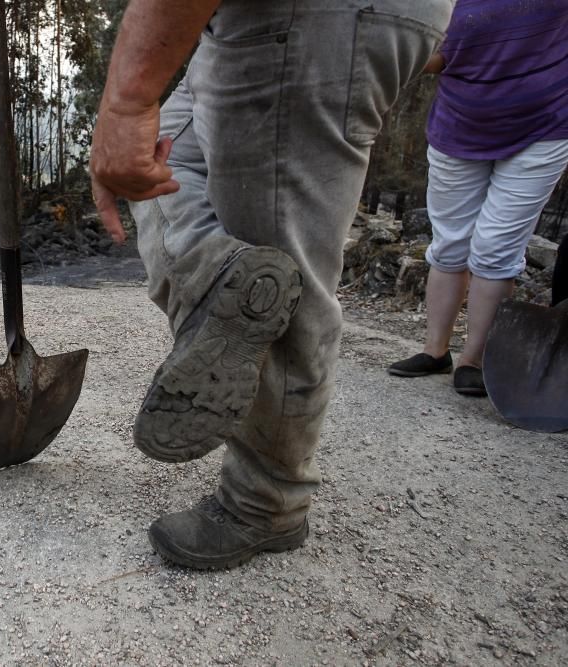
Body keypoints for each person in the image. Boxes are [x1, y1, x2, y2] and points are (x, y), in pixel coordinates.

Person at [89, 0, 452, 569]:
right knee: (163, 173)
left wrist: (126, 100)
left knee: (284, 256)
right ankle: (222, 283)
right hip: (247, 21)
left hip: (302, 16)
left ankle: (265, 501)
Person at [388, 0, 568, 396]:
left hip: (544, 127)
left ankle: (474, 360)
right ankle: (435, 351)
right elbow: (428, 55)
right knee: (451, 242)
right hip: (460, 124)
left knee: (495, 248)